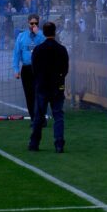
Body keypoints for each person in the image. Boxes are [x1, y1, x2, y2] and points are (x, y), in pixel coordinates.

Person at [29, 22, 69, 153]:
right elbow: (65, 69)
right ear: (55, 32)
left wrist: (40, 79)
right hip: (57, 86)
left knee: (39, 116)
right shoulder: (61, 49)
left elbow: (34, 69)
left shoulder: (38, 49)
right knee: (58, 115)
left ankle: (34, 143)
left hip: (42, 86)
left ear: (44, 33)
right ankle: (59, 144)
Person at [13, 14, 44, 120]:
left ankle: (41, 118)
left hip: (39, 69)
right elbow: (16, 54)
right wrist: (16, 70)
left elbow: (47, 44)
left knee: (39, 94)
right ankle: (34, 118)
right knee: (29, 95)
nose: (33, 25)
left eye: (36, 23)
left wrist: (38, 34)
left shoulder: (42, 35)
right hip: (26, 69)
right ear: (28, 23)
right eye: (32, 23)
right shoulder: (21, 36)